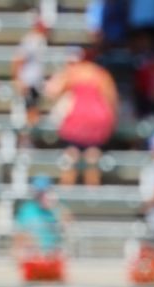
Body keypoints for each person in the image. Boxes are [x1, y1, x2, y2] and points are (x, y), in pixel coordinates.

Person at [46, 48, 118, 186]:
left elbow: (52, 91)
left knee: (71, 155)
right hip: (98, 120)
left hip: (76, 120)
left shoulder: (73, 73)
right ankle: (92, 197)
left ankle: (67, 192)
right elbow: (112, 99)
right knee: (93, 156)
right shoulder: (101, 74)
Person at [12, 17, 49, 138]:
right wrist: (18, 79)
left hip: (36, 82)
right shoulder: (30, 40)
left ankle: (31, 136)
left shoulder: (40, 41)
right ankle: (26, 138)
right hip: (28, 81)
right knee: (28, 110)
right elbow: (18, 60)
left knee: (34, 109)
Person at [13, 175, 68, 258]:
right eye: (39, 193)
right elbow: (19, 236)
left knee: (60, 252)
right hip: (34, 255)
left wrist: (55, 209)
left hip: (51, 254)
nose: (42, 196)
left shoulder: (56, 208)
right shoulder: (27, 209)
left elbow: (66, 227)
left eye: (45, 192)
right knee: (27, 248)